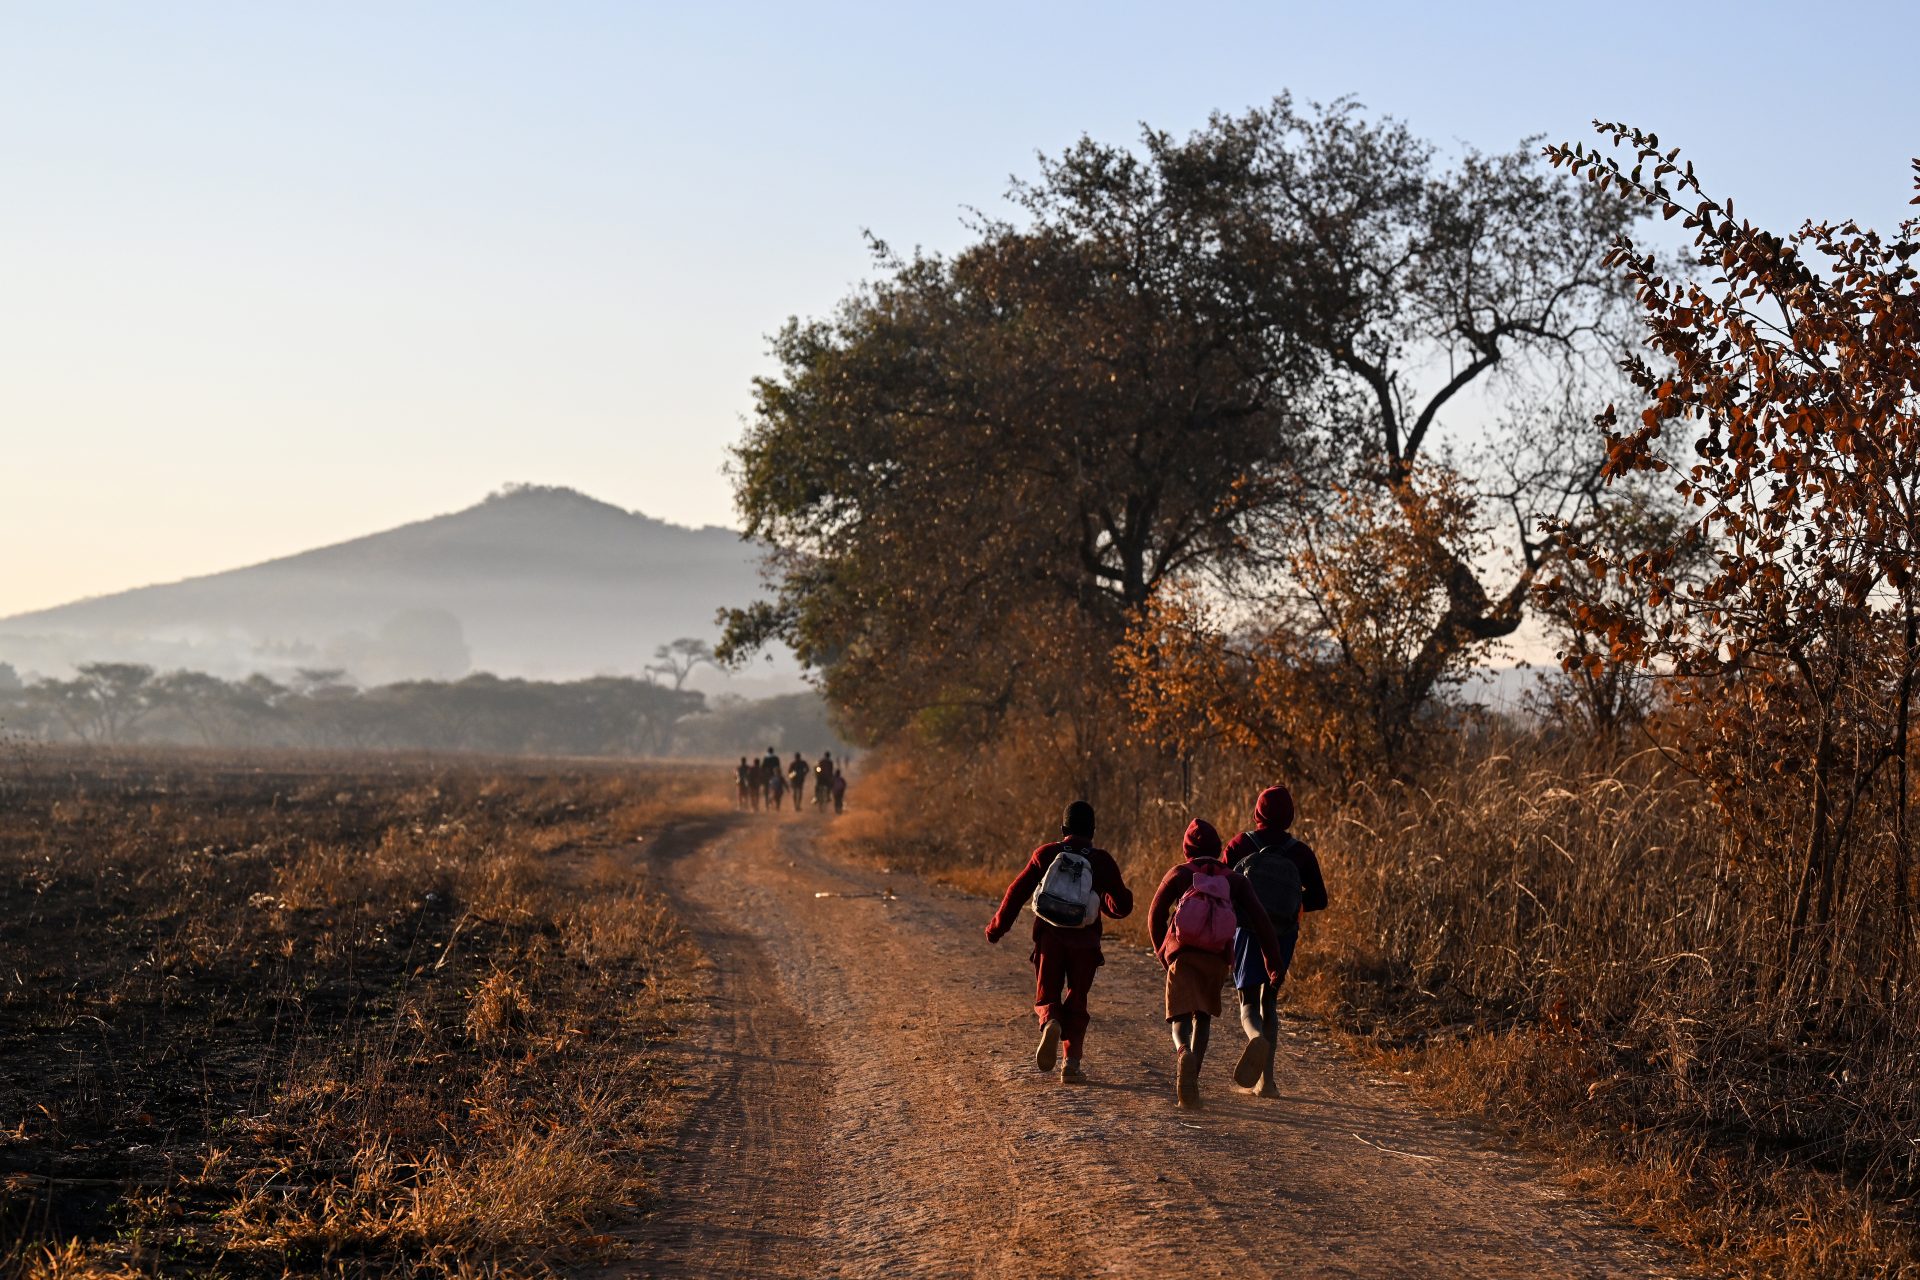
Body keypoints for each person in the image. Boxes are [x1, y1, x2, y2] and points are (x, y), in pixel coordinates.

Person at [985, 801, 1133, 1084]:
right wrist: (1106, 901)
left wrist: (996, 928)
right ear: (1093, 831)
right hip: (1085, 945)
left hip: (1049, 939)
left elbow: (1016, 892)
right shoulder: (1101, 861)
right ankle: (1072, 1063)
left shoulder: (1047, 853)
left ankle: (1051, 1020)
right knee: (1077, 999)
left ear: (1062, 829)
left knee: (1048, 994)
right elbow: (1123, 905)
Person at [1148, 818, 1286, 1110]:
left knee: (1179, 1019)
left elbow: (1155, 914)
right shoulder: (1234, 879)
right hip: (1216, 957)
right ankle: (1193, 1075)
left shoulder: (1179, 873)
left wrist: (1164, 953)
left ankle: (1182, 1051)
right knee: (1203, 1019)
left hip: (1182, 955)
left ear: (1187, 849)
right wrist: (1273, 964)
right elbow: (1261, 921)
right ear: (1218, 847)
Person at [1222, 785, 1328, 1097]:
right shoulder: (1300, 852)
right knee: (1270, 1000)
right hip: (1284, 934)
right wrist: (1289, 906)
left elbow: (1221, 886)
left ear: (1258, 813)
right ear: (1289, 815)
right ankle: (1267, 1081)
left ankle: (1254, 1035)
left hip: (1247, 930)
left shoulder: (1241, 844)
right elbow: (1320, 899)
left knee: (1248, 1003)